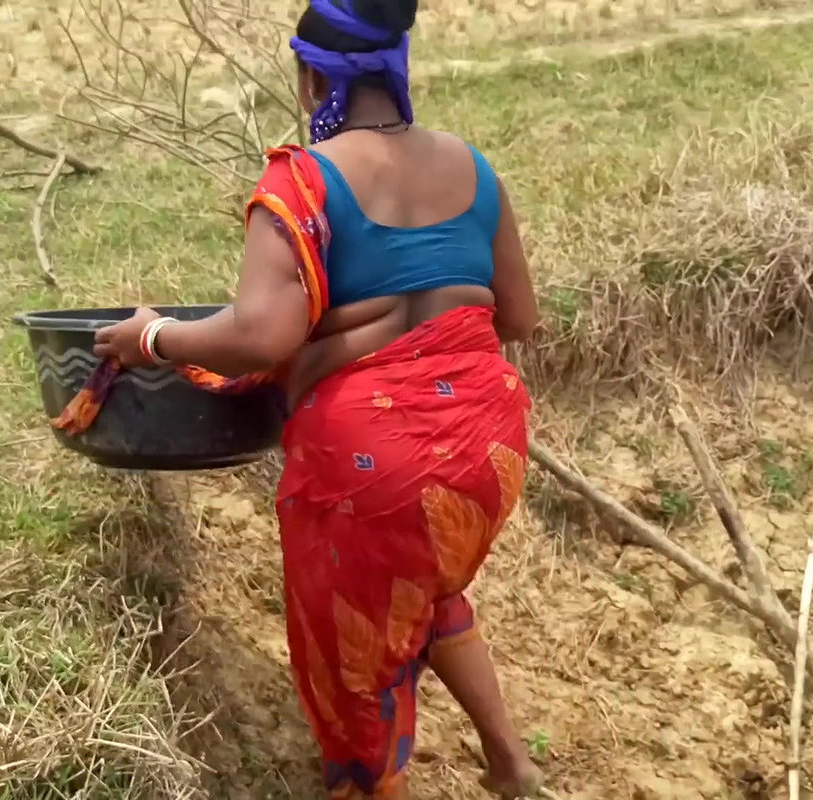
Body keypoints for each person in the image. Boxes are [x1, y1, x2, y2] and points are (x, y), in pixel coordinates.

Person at [93, 0, 546, 796]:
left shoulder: (301, 179)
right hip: (488, 441)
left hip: (371, 467)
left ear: (311, 77)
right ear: (397, 67)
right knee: (431, 586)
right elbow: (520, 318)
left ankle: (368, 784)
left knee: (354, 673)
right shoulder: (474, 169)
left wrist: (155, 337)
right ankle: (511, 761)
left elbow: (261, 334)